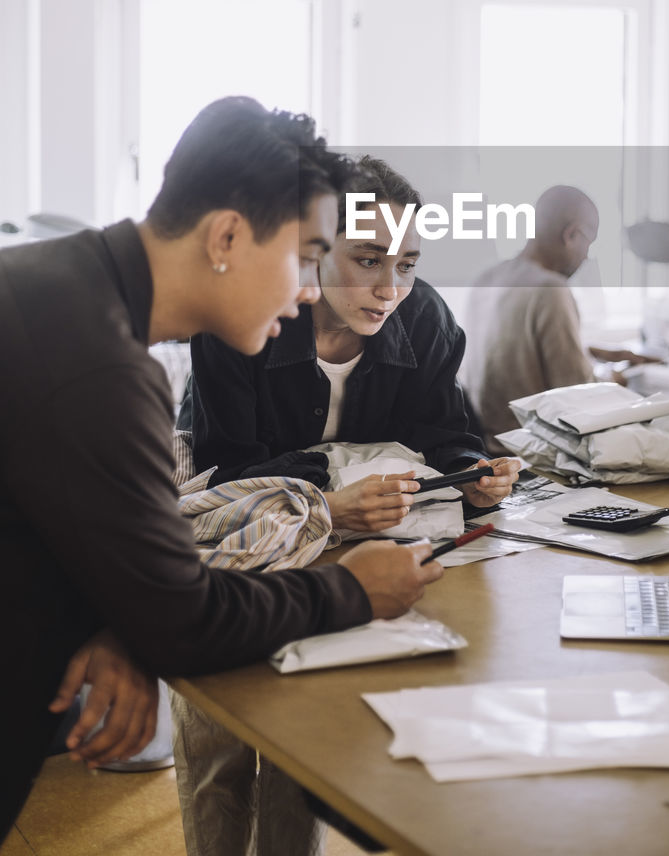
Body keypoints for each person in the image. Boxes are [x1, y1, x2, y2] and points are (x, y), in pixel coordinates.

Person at [0, 99, 443, 841]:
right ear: (228, 236)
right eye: (306, 257)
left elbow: (72, 525)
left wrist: (122, 619)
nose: (309, 289)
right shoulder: (103, 369)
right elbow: (188, 623)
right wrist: (351, 588)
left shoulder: (53, 287)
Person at [173, 156, 521, 856]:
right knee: (222, 749)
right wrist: (329, 502)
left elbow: (445, 430)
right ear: (316, 248)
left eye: (408, 264)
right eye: (367, 260)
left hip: (348, 566)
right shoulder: (241, 318)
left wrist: (470, 473)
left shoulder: (423, 318)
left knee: (302, 747)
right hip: (238, 554)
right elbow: (225, 476)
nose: (390, 287)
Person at [462, 185, 651, 446]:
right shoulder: (550, 289)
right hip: (530, 452)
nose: (586, 256)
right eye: (589, 243)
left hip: (485, 444)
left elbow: (513, 352)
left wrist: (594, 352)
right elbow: (580, 392)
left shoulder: (487, 278)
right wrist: (619, 376)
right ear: (571, 235)